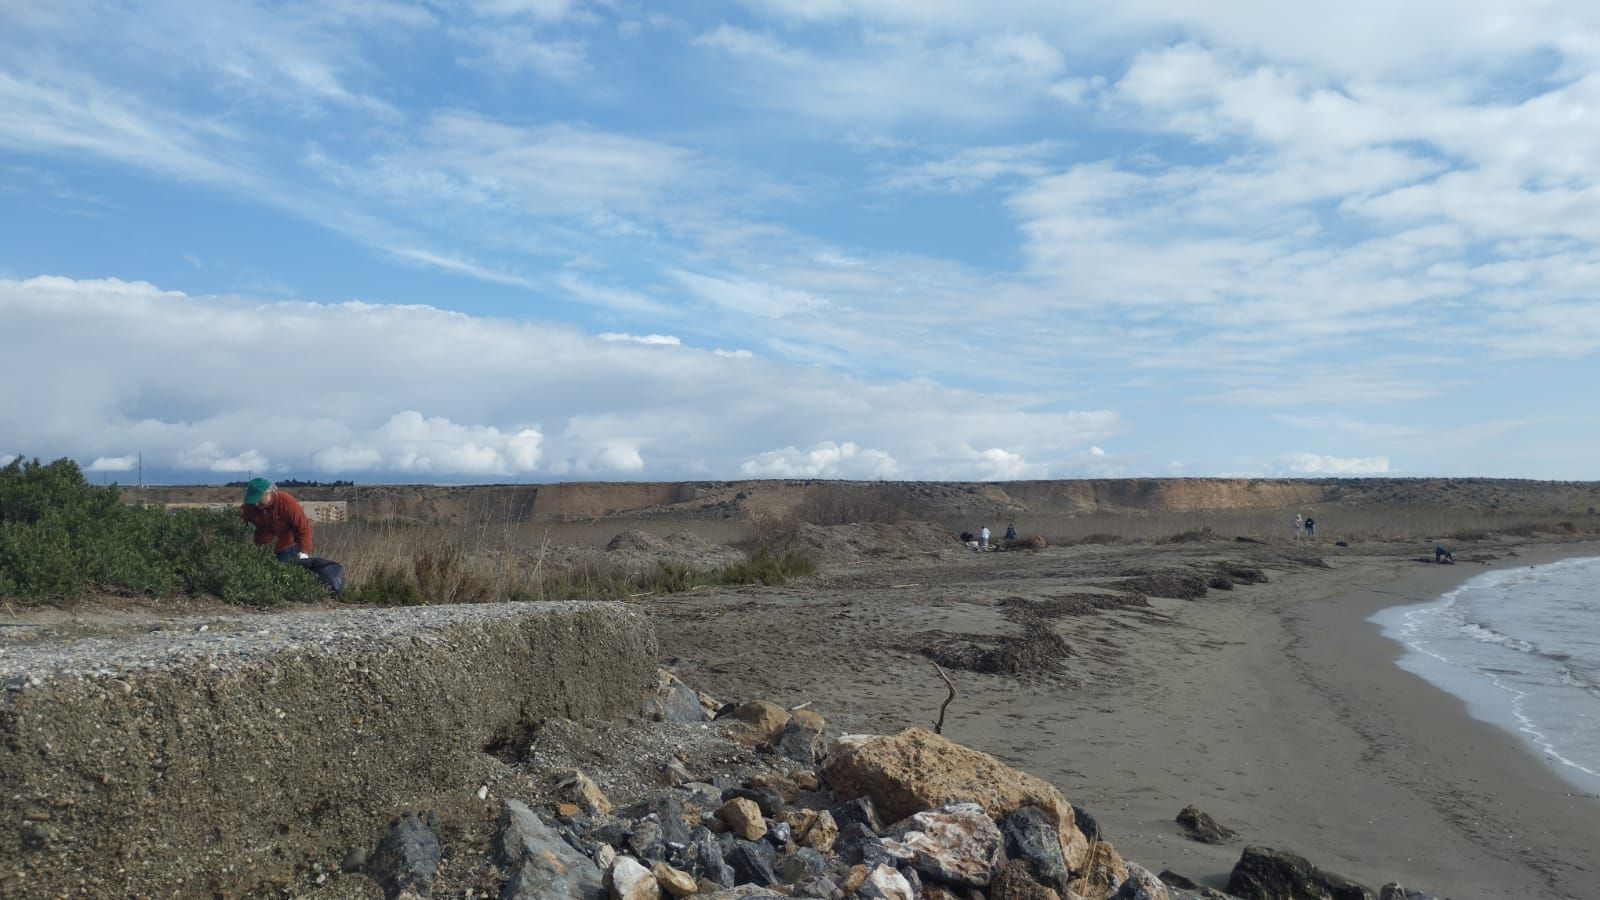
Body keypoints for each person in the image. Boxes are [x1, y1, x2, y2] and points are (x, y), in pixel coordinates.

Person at [241, 478, 313, 561]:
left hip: (286, 548)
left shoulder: (287, 502)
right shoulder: (250, 506)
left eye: (258, 500)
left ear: (268, 493)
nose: (256, 504)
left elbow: (303, 528)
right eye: (253, 501)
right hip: (262, 547)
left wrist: (303, 553)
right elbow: (238, 522)